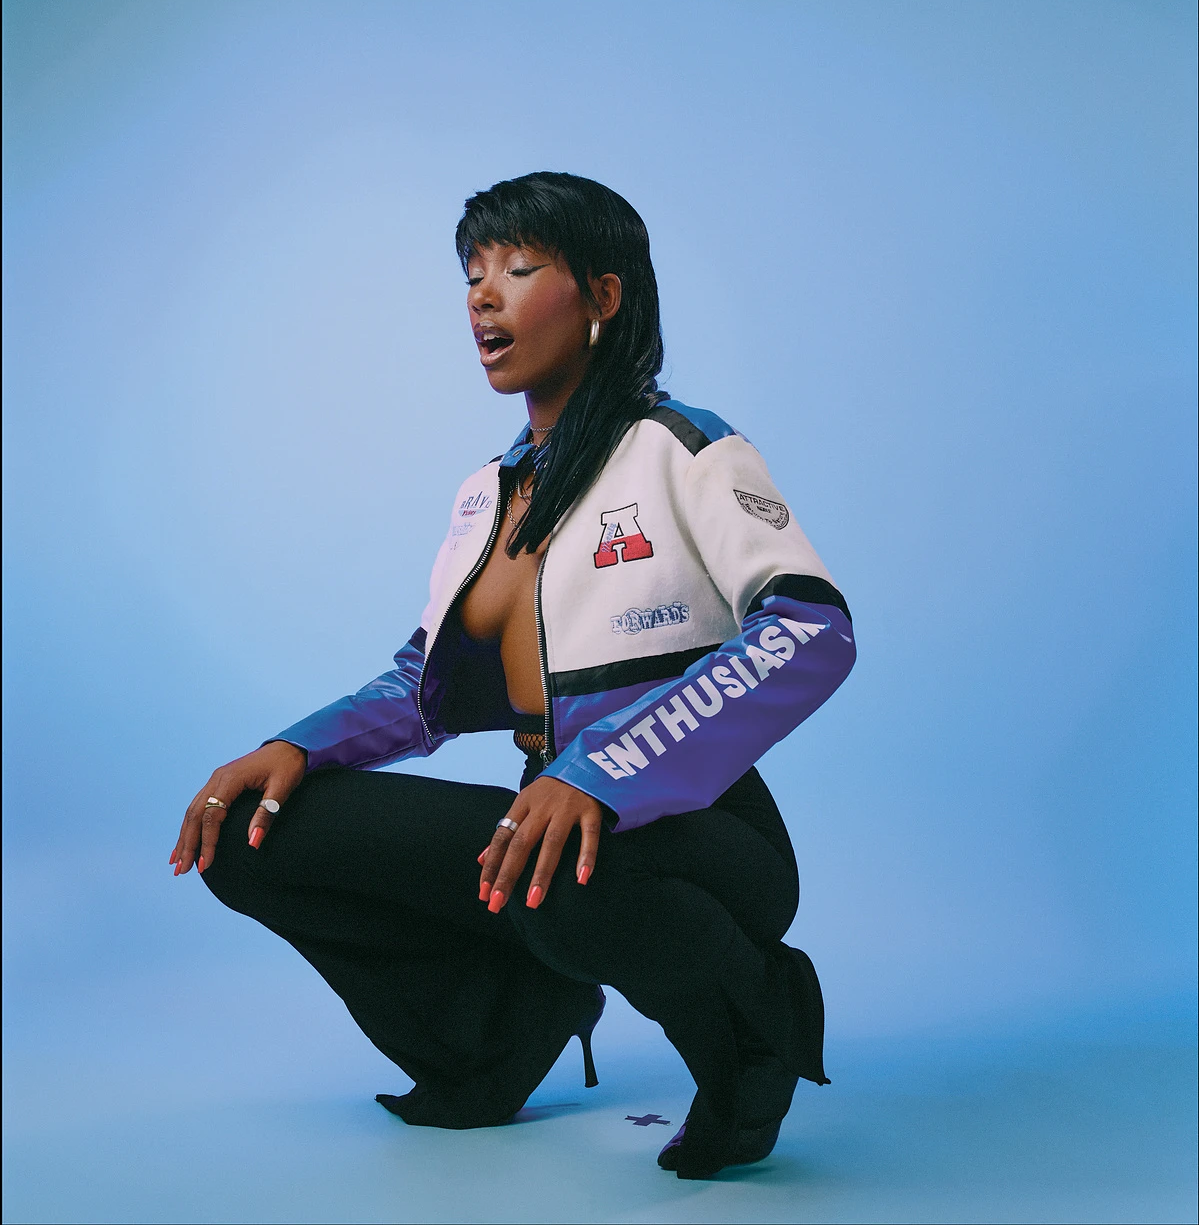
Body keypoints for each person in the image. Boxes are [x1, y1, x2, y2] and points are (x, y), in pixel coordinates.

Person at [170, 171, 857, 1179]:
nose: (482, 296)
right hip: (546, 814)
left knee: (559, 870)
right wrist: (293, 747)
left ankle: (753, 1030)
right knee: (249, 833)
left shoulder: (681, 447)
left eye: (519, 268)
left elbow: (808, 628)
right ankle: (496, 1030)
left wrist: (602, 772)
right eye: (472, 275)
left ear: (602, 295)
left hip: (702, 833)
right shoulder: (485, 495)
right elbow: (421, 687)